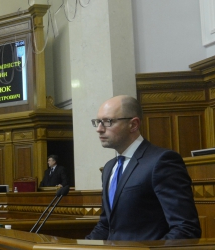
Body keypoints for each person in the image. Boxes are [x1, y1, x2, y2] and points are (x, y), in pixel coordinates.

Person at [86, 96, 201, 242]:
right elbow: (106, 226)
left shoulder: (162, 161)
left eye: (108, 122)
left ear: (133, 125)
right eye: (97, 122)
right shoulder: (109, 167)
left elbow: (185, 228)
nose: (99, 129)